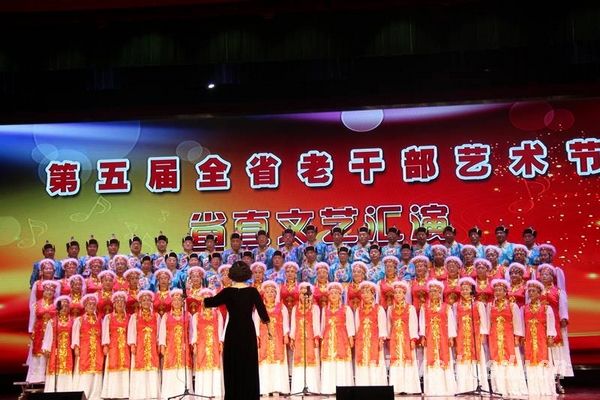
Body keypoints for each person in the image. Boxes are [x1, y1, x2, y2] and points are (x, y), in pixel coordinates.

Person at [203, 261, 270, 400]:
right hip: (247, 331)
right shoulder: (252, 291)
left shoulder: (227, 291)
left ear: (232, 274)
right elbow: (263, 312)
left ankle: (233, 396)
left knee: (232, 363)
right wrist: (269, 329)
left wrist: (198, 297)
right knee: (248, 364)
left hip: (233, 331)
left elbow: (210, 302)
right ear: (247, 274)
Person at [487, 279, 528, 397]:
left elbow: (517, 322)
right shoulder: (490, 305)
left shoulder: (512, 305)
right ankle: (499, 389)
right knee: (497, 361)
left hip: (509, 337)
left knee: (510, 360)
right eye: (496, 290)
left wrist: (517, 337)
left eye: (500, 290)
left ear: (505, 292)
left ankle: (512, 388)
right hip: (494, 337)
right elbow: (488, 322)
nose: (498, 292)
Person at [419, 279, 457, 396]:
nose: (433, 293)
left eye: (435, 291)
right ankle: (432, 389)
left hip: (443, 337)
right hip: (430, 337)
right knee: (431, 360)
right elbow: (422, 322)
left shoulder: (446, 307)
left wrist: (451, 337)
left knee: (444, 359)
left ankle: (447, 388)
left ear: (440, 293)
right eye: (431, 291)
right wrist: (423, 336)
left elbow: (451, 322)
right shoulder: (424, 307)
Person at [522, 280, 556, 396]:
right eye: (529, 291)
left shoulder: (546, 308)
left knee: (543, 361)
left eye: (533, 291)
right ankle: (533, 389)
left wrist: (550, 336)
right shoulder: (524, 308)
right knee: (531, 362)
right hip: (529, 339)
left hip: (542, 338)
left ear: (539, 293)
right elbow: (522, 324)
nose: (531, 293)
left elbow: (550, 323)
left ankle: (545, 389)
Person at [453, 277, 488, 392]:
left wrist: (482, 334)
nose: (464, 291)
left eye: (467, 289)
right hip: (461, 336)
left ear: (471, 290)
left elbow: (483, 320)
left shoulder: (478, 304)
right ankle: (464, 387)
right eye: (462, 289)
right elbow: (454, 322)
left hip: (475, 336)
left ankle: (478, 384)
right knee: (462, 358)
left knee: (476, 358)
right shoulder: (456, 305)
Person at [320, 282, 355, 394]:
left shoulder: (346, 309)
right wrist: (322, 339)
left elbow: (350, 324)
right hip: (328, 339)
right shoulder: (325, 310)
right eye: (331, 293)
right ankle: (328, 389)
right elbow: (322, 326)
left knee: (341, 361)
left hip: (342, 339)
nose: (333, 295)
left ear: (340, 295)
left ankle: (343, 388)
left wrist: (351, 337)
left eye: (336, 293)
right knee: (329, 361)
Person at [257, 280, 290, 395]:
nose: (270, 294)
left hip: (278, 338)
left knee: (278, 361)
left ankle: (279, 388)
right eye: (267, 292)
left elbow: (285, 322)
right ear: (264, 294)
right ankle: (265, 389)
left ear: (276, 294)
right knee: (264, 361)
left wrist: (286, 334)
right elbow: (255, 322)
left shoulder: (281, 307)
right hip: (264, 338)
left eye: (272, 291)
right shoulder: (260, 307)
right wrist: (256, 336)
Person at [159, 289, 193, 399]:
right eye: (175, 300)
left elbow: (191, 332)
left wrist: (192, 345)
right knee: (170, 367)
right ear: (171, 302)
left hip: (184, 348)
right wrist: (162, 345)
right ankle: (170, 394)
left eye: (179, 300)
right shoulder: (166, 316)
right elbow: (162, 332)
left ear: (182, 302)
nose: (177, 302)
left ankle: (185, 394)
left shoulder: (188, 315)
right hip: (170, 347)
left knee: (184, 368)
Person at [387, 281, 420, 394]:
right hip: (395, 339)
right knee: (396, 361)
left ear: (404, 294)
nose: (397, 295)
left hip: (406, 338)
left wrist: (413, 339)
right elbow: (389, 324)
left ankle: (410, 388)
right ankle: (397, 388)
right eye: (395, 292)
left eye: (400, 292)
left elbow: (413, 324)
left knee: (408, 360)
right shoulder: (390, 309)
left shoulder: (410, 308)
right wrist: (389, 338)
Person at [192, 288, 224, 398]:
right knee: (202, 364)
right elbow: (194, 332)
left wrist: (221, 342)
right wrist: (194, 344)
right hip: (202, 345)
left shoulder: (218, 314)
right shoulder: (196, 316)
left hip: (214, 344)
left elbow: (220, 330)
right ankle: (203, 392)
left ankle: (215, 392)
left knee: (215, 365)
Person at [128, 290, 160, 400]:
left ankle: (152, 393)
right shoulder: (135, 316)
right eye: (144, 300)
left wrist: (158, 344)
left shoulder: (156, 316)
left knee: (152, 367)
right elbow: (132, 331)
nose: (146, 302)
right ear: (140, 302)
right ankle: (140, 394)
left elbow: (159, 332)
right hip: (139, 346)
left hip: (152, 346)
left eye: (148, 300)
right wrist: (132, 344)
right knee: (140, 367)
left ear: (151, 302)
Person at [289, 282, 321, 394]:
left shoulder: (315, 308)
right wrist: (292, 338)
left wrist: (316, 337)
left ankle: (312, 388)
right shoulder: (295, 308)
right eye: (302, 294)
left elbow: (316, 323)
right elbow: (293, 324)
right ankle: (298, 388)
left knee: (312, 360)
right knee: (299, 361)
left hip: (311, 338)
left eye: (307, 294)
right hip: (298, 338)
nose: (304, 296)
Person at [354, 281, 387, 386]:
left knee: (375, 361)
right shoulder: (358, 310)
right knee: (363, 360)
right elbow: (357, 326)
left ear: (373, 293)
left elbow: (382, 325)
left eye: (368, 292)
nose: (365, 295)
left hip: (374, 340)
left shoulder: (379, 309)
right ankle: (363, 385)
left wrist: (381, 339)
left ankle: (376, 385)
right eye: (363, 292)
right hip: (362, 340)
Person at [72, 294, 103, 400]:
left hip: (97, 349)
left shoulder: (99, 320)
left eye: (93, 304)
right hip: (84, 349)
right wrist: (76, 346)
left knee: (96, 371)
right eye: (89, 304)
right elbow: (75, 334)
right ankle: (83, 393)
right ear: (85, 306)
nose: (91, 306)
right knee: (84, 370)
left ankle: (95, 395)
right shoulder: (79, 320)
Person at [27, 280, 58, 384]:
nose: (49, 292)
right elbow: (32, 319)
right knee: (38, 352)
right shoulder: (36, 305)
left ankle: (49, 375)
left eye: (51, 291)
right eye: (47, 290)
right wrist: (31, 331)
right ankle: (36, 377)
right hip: (39, 331)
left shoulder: (56, 305)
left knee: (49, 351)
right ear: (43, 291)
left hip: (51, 332)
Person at [101, 291, 130, 400]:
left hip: (125, 347)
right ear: (114, 304)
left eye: (122, 302)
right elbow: (105, 332)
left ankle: (124, 392)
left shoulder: (129, 317)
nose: (120, 304)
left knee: (125, 366)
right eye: (117, 302)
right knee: (112, 365)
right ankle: (112, 392)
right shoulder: (108, 317)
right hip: (113, 346)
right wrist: (105, 345)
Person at [42, 295, 74, 393]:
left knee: (67, 369)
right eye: (62, 306)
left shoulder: (72, 321)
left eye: (66, 306)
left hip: (68, 351)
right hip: (55, 351)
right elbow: (48, 337)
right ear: (58, 308)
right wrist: (46, 349)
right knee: (54, 368)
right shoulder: (53, 322)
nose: (64, 308)